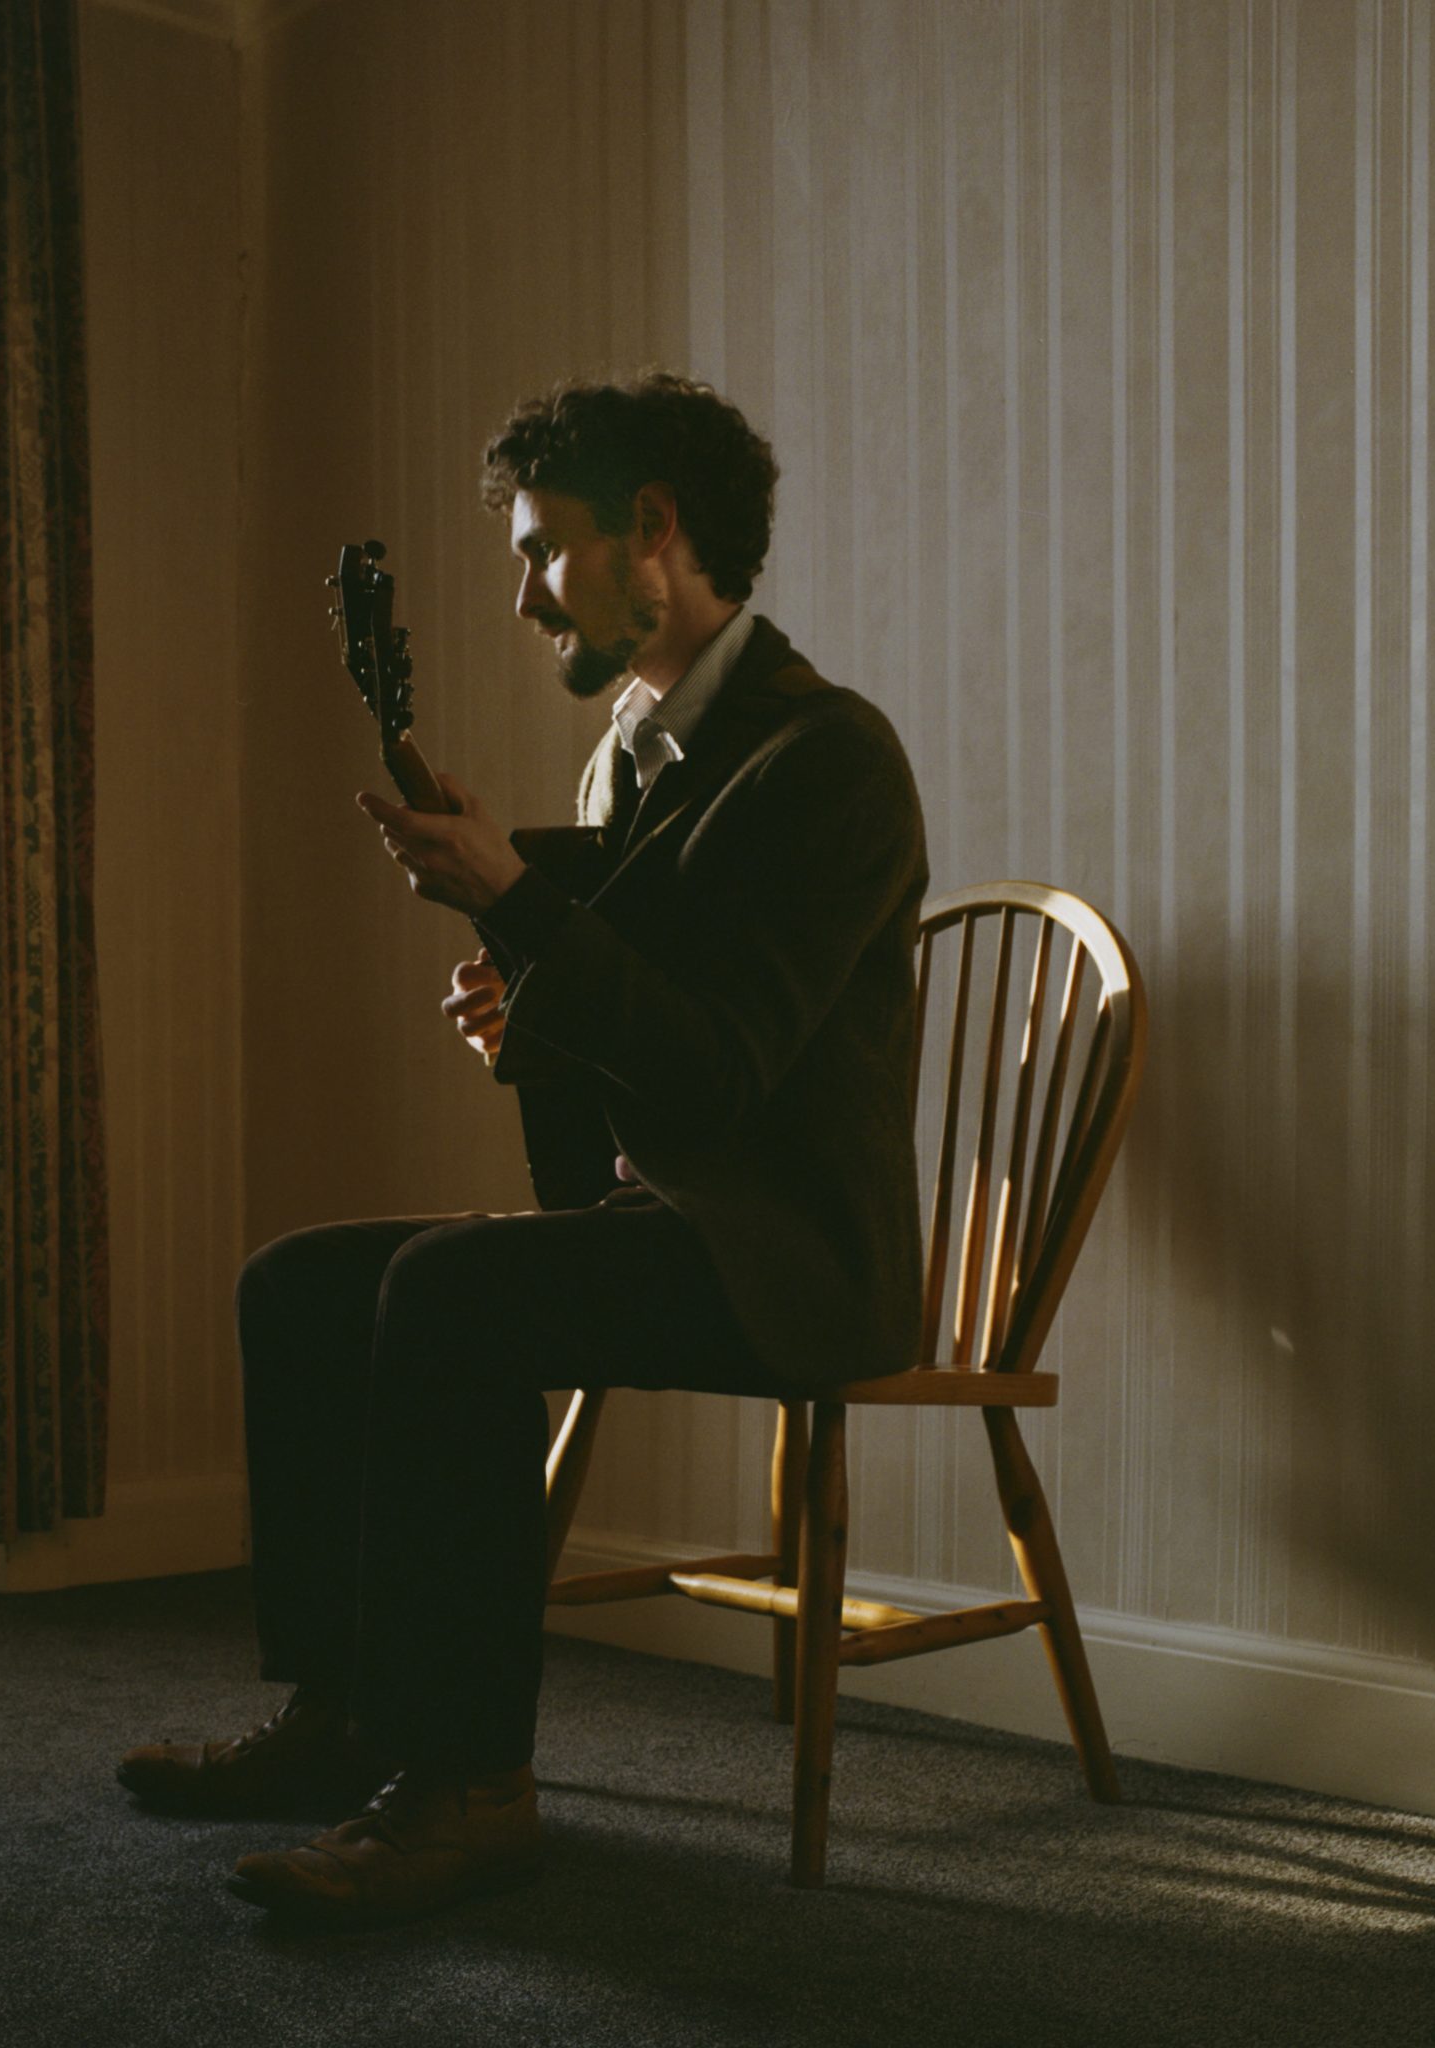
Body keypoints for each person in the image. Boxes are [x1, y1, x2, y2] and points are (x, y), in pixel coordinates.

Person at [118, 372, 930, 1929]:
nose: (522, 594)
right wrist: (528, 1019)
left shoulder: (827, 760)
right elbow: (626, 1090)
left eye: (543, 549)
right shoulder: (629, 764)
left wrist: (516, 903)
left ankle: (470, 1790)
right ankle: (346, 1719)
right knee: (298, 1281)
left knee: (451, 1292)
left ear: (654, 531)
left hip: (796, 1257)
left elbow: (722, 1063)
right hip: (670, 1215)